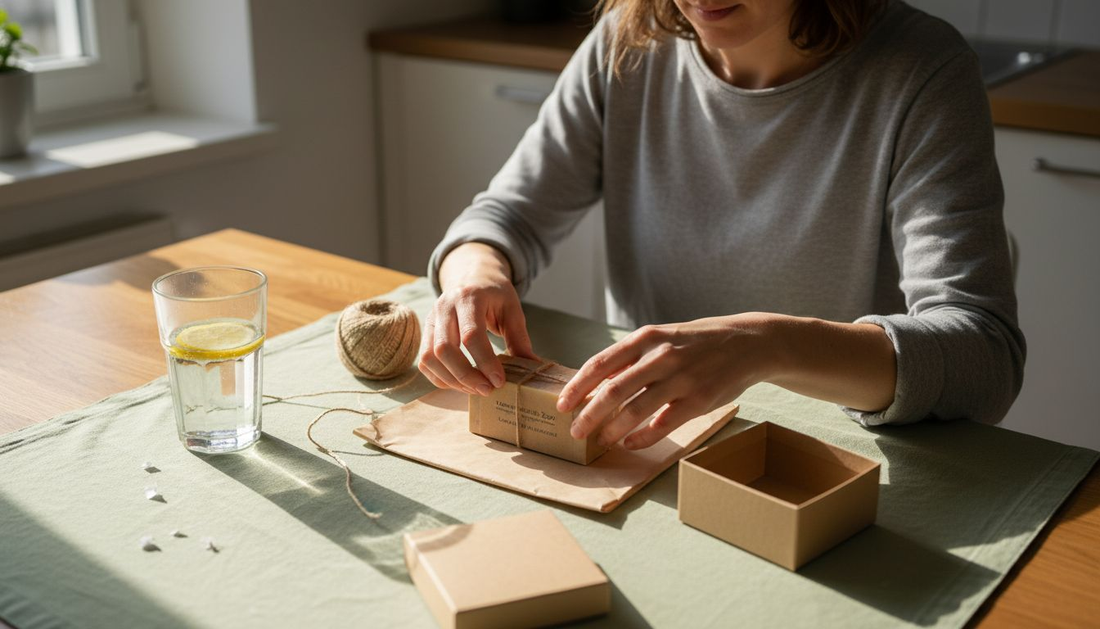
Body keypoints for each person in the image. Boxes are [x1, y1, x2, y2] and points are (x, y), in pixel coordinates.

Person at [417, 0, 1025, 451]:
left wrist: (764, 345)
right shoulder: (624, 42)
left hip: (834, 456)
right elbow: (506, 216)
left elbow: (984, 356)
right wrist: (474, 272)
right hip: (646, 441)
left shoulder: (923, 69)